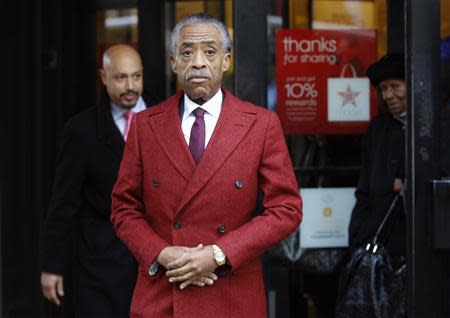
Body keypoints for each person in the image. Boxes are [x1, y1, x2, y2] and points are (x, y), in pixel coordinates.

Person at [110, 13, 303, 318]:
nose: (198, 62)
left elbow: (286, 209)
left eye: (209, 52)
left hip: (231, 295)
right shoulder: (146, 126)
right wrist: (160, 252)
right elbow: (124, 208)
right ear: (174, 62)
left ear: (226, 61)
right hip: (163, 294)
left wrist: (219, 253)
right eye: (187, 52)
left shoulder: (261, 124)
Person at [40, 44, 155, 317]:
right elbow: (63, 202)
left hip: (156, 260)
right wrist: (51, 265)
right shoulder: (81, 130)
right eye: (121, 77)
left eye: (136, 77)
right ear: (103, 77)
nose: (130, 86)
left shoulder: (166, 117)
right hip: (101, 264)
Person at [348, 53, 406, 262]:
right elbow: (364, 188)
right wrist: (359, 234)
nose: (388, 95)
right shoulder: (378, 129)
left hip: (416, 239)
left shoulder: (438, 126)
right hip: (378, 238)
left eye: (394, 86)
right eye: (383, 89)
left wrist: (407, 186)